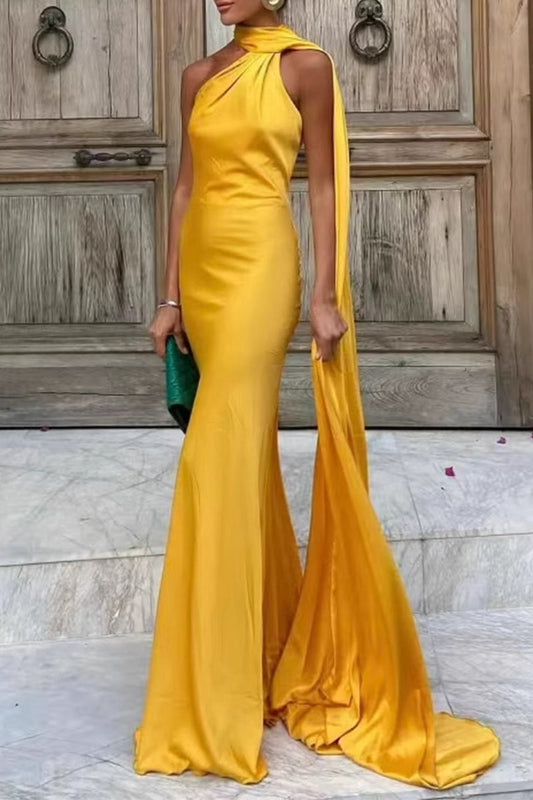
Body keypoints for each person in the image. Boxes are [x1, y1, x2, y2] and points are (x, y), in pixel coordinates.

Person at [133, 0, 501, 788]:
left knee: (212, 463)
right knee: (238, 466)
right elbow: (184, 190)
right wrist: (169, 298)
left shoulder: (306, 66)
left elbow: (326, 186)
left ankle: (214, 694)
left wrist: (326, 295)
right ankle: (246, 661)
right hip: (203, 272)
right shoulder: (198, 74)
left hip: (261, 265)